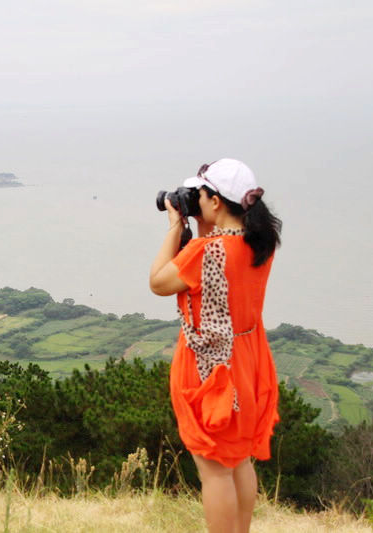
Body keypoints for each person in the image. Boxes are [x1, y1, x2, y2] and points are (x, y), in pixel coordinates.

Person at [149, 158, 282, 533]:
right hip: (248, 358)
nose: (197, 200)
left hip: (210, 368)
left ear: (217, 201)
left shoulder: (205, 251)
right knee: (238, 460)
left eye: (201, 195)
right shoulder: (260, 243)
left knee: (214, 469)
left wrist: (177, 225)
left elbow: (158, 282)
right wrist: (205, 223)